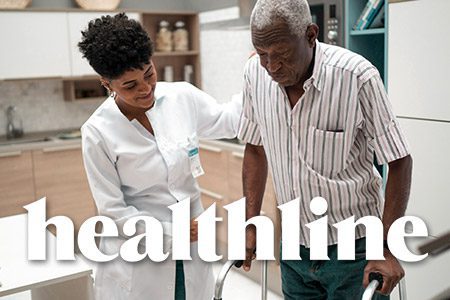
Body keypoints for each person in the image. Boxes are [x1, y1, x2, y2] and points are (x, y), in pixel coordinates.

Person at [238, 0, 413, 299]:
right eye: (263, 54)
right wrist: (250, 223)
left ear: (310, 34)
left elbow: (399, 160)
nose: (271, 67)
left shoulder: (356, 76)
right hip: (294, 245)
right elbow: (255, 149)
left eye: (281, 54)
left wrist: (386, 247)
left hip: (355, 250)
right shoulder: (254, 74)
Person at [78, 13, 241, 300]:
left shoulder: (182, 98)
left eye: (149, 73)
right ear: (107, 83)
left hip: (191, 254)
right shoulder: (97, 132)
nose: (145, 88)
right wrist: (173, 231)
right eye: (130, 85)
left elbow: (230, 120)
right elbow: (113, 213)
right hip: (140, 260)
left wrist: (255, 74)